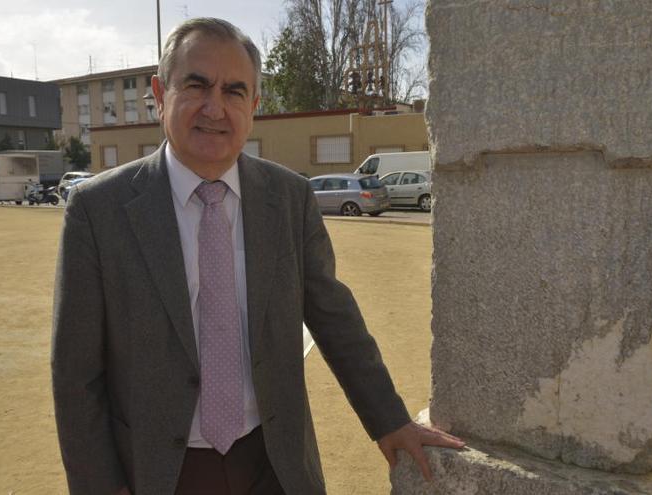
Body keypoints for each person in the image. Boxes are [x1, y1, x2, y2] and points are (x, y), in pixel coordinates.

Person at [51, 18, 463, 495]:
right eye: (197, 85)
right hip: (159, 474)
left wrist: (389, 419)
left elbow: (334, 318)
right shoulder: (98, 211)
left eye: (234, 91)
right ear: (160, 94)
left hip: (275, 466)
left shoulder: (289, 198)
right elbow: (75, 374)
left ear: (255, 105)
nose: (215, 107)